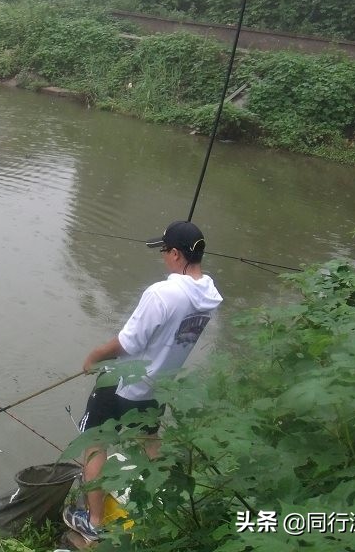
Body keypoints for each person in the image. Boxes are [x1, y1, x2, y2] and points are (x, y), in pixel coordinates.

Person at [63, 220, 223, 542]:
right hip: (158, 385)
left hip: (124, 381)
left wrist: (94, 357)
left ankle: (93, 522)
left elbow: (128, 342)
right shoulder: (209, 295)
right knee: (149, 441)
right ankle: (166, 513)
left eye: (164, 251)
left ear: (176, 254)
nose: (162, 257)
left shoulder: (162, 294)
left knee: (94, 442)